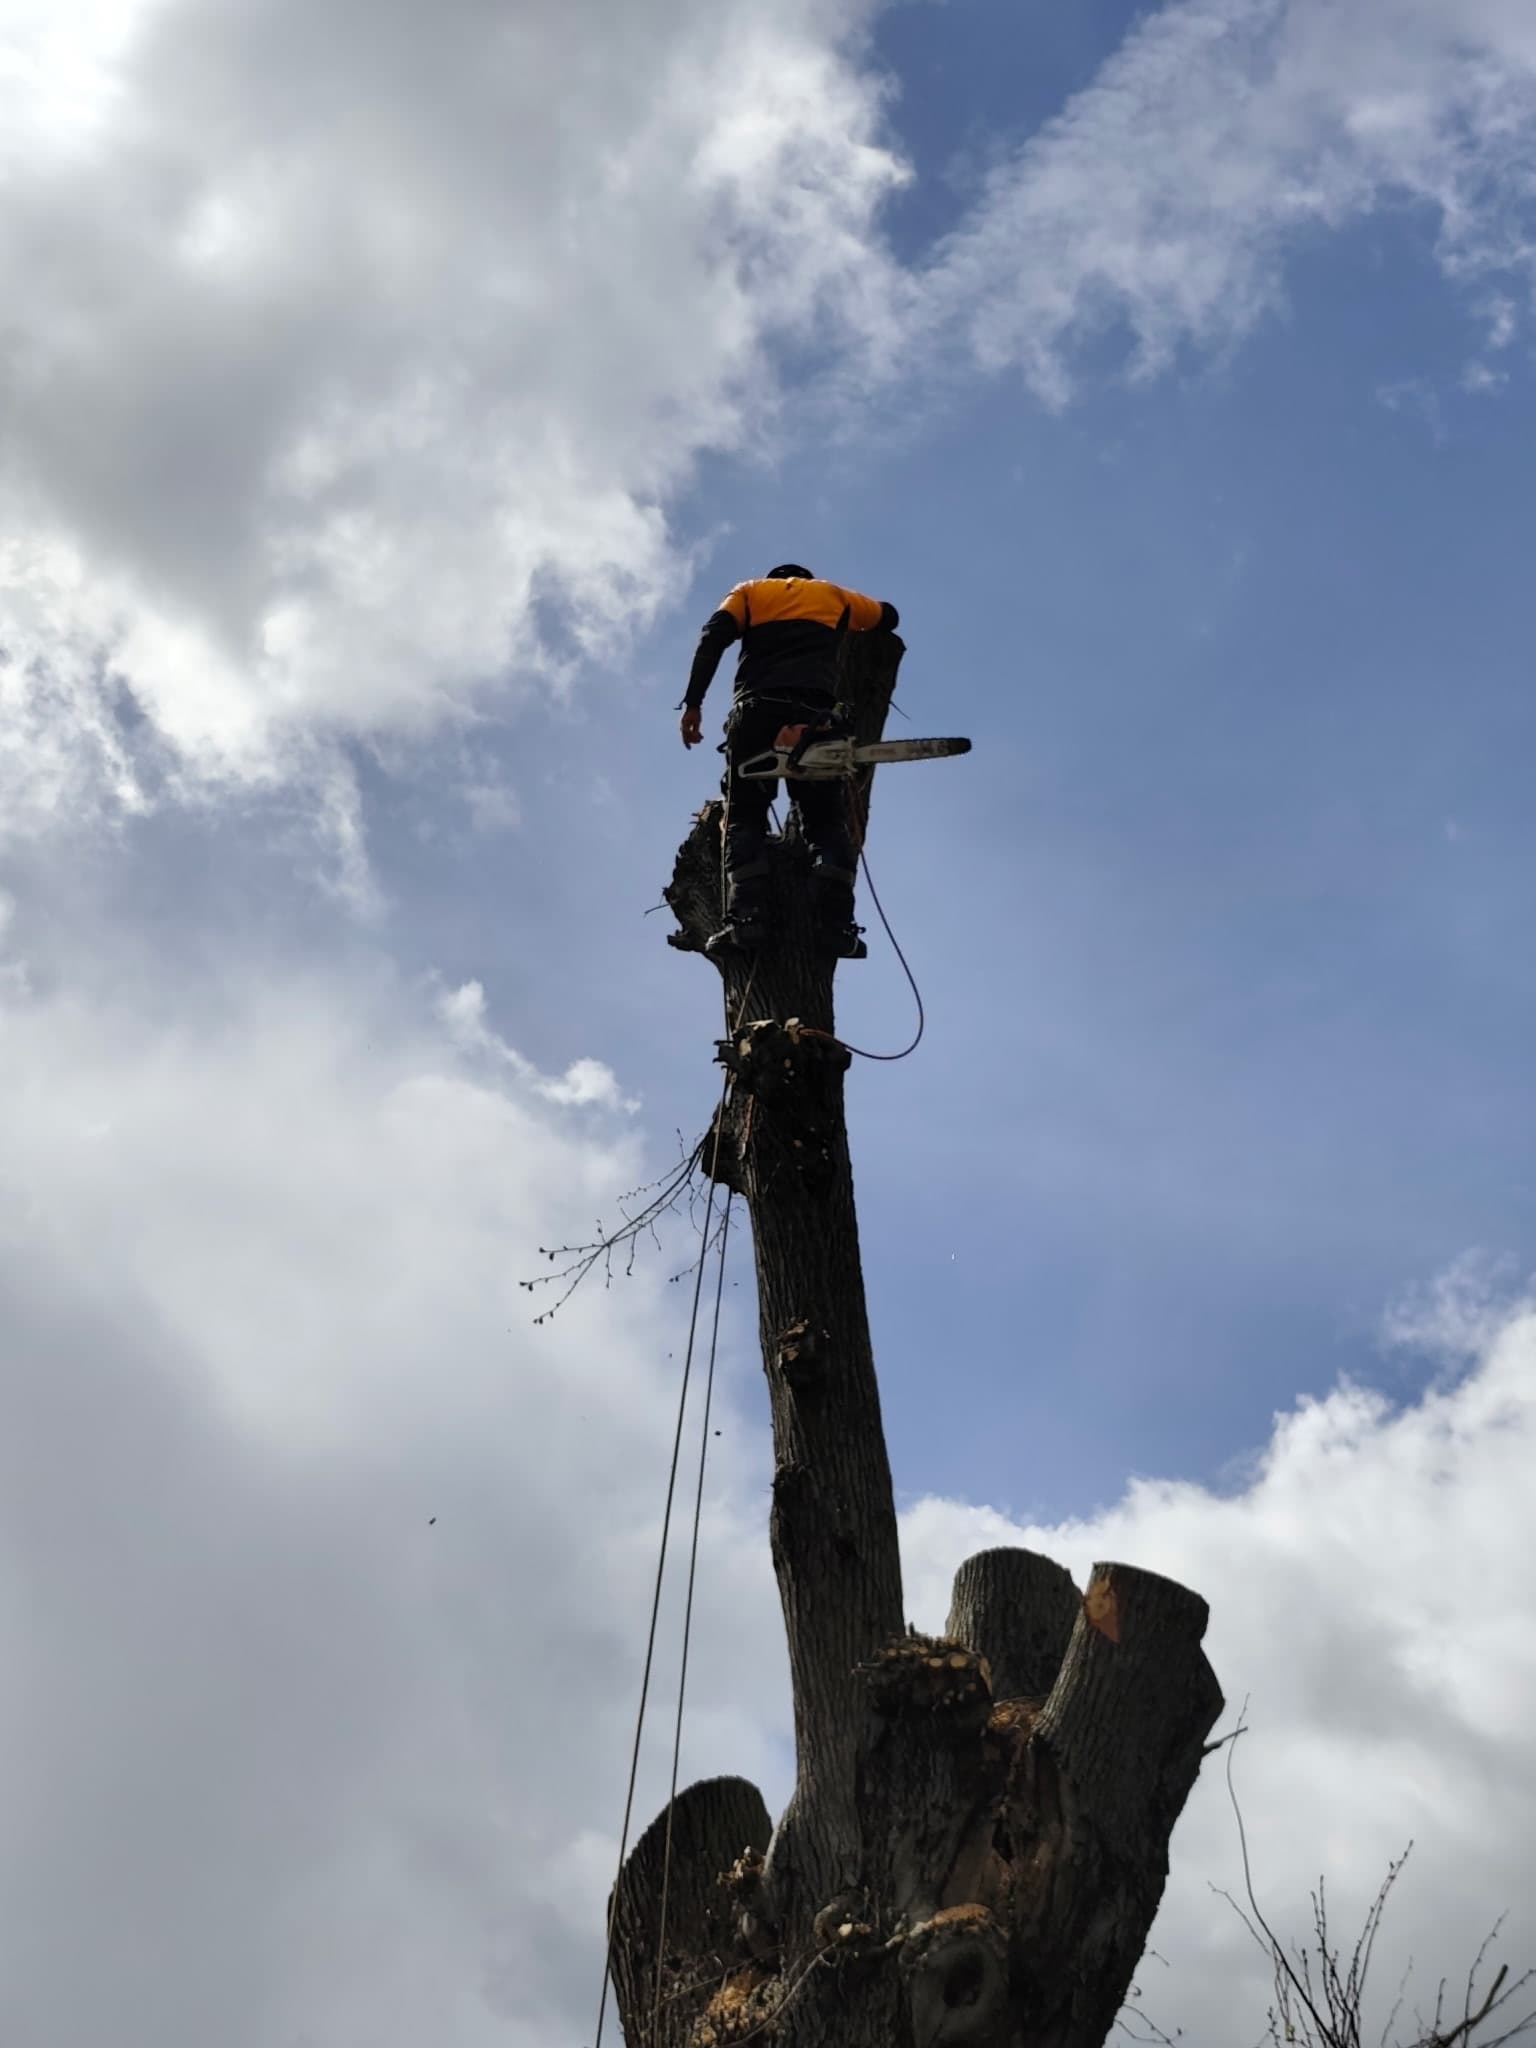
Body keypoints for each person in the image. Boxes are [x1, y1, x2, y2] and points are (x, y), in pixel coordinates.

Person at [679, 564, 899, 957]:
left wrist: (694, 703)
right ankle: (835, 927)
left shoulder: (749, 591)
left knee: (745, 815)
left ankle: (747, 921)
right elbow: (888, 616)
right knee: (825, 820)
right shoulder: (832, 596)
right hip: (816, 716)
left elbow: (713, 637)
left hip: (757, 711)